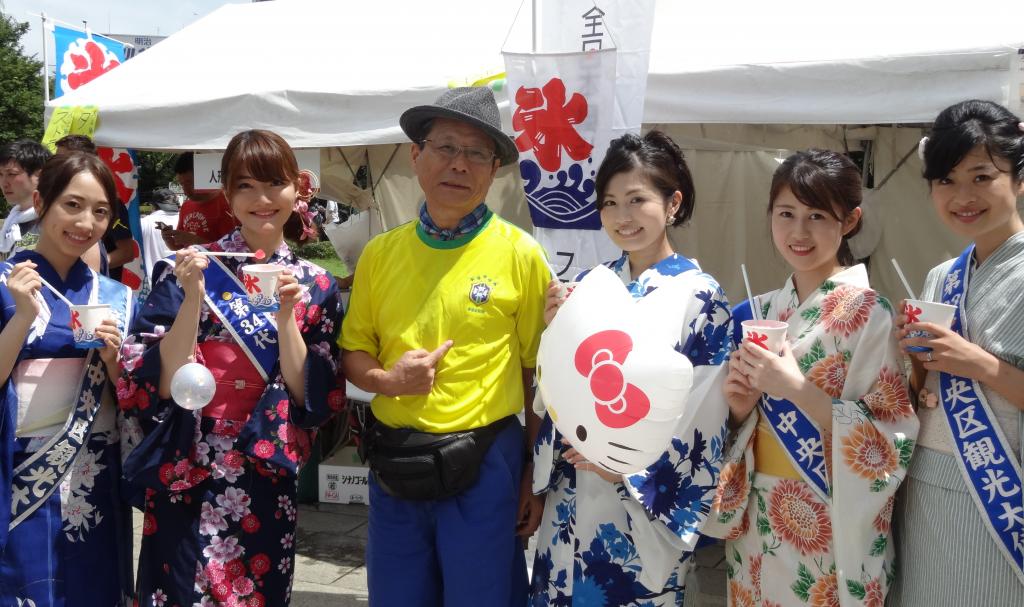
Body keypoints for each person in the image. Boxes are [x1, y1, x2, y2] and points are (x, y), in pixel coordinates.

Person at [340, 86, 548, 606]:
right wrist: (387, 381)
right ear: (416, 155)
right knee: (396, 597)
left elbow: (537, 377)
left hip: (486, 463)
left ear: (495, 167)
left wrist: (531, 475)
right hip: (396, 463)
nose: (460, 164)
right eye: (446, 147)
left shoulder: (521, 255)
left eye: (477, 152)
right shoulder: (381, 254)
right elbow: (354, 352)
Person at [118, 130, 344, 606]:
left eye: (275, 184)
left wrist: (286, 319)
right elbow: (156, 379)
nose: (262, 200)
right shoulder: (191, 268)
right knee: (177, 591)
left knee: (256, 593)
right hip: (190, 459)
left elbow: (311, 396)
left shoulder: (316, 284)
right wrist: (193, 297)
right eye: (245, 186)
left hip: (262, 465)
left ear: (298, 190)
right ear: (227, 194)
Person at [705, 149, 919, 606]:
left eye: (817, 215)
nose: (798, 232)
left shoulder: (869, 314)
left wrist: (794, 389)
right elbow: (739, 422)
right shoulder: (761, 311)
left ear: (850, 220)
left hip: (828, 515)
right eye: (786, 214)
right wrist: (740, 410)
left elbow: (889, 438)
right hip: (759, 519)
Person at [529, 131, 732, 606]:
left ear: (672, 203)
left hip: (638, 507)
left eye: (637, 200)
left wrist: (623, 469)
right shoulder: (589, 284)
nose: (623, 217)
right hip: (572, 494)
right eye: (610, 203)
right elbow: (554, 391)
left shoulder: (701, 296)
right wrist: (554, 333)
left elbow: (703, 413)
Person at [890, 100, 1024, 604]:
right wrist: (918, 360)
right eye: (945, 180)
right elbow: (926, 393)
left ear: (1019, 179)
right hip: (929, 485)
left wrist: (980, 364)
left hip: (1002, 492)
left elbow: (976, 369)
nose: (962, 196)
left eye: (981, 176)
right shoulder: (940, 278)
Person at [0, 152, 132, 605]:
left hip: (90, 471)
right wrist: (20, 315)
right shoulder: (5, 282)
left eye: (100, 211)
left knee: (89, 585)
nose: (86, 223)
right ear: (41, 201)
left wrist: (114, 359)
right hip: (19, 468)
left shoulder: (114, 295)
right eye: (72, 205)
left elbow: (132, 397)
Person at [53, 135, 138, 280]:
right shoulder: (52, 199)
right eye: (55, 160)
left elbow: (127, 252)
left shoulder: (110, 202)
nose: (57, 166)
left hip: (98, 290)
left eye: (64, 160)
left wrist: (89, 266)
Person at [162, 152, 236, 249]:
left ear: (203, 177)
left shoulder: (228, 204)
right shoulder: (186, 206)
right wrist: (168, 239)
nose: (185, 190)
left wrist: (195, 241)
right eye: (182, 184)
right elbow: (178, 247)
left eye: (189, 182)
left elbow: (233, 250)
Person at [0, 140, 51, 260]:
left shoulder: (54, 224)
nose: (3, 183)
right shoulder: (13, 220)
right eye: (0, 174)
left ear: (39, 175)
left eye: (12, 174)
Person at [139, 188, 180, 289]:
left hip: (150, 284)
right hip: (180, 284)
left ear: (153, 206)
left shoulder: (143, 223)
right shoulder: (185, 222)